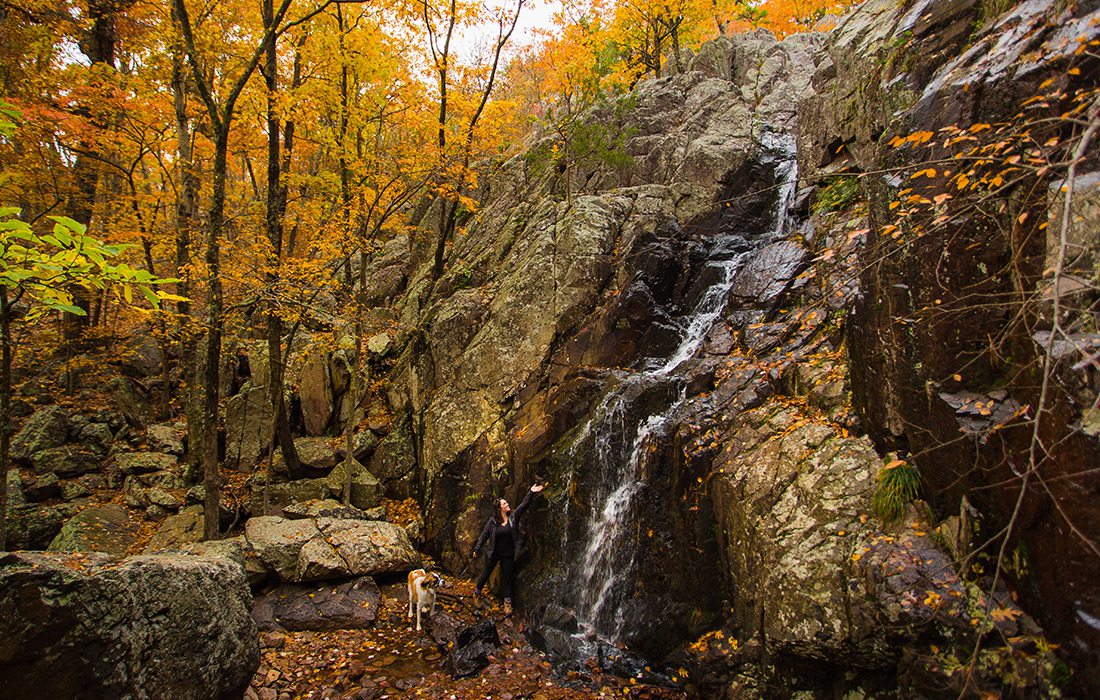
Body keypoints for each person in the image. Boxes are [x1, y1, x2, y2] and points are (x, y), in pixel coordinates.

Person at [472, 483, 544, 614]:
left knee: (507, 578)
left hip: (508, 554)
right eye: (505, 504)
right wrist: (476, 549)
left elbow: (523, 506)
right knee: (486, 573)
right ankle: (476, 594)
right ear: (500, 508)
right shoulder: (493, 521)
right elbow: (484, 535)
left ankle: (507, 604)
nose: (507, 505)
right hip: (494, 553)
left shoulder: (513, 518)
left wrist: (531, 492)